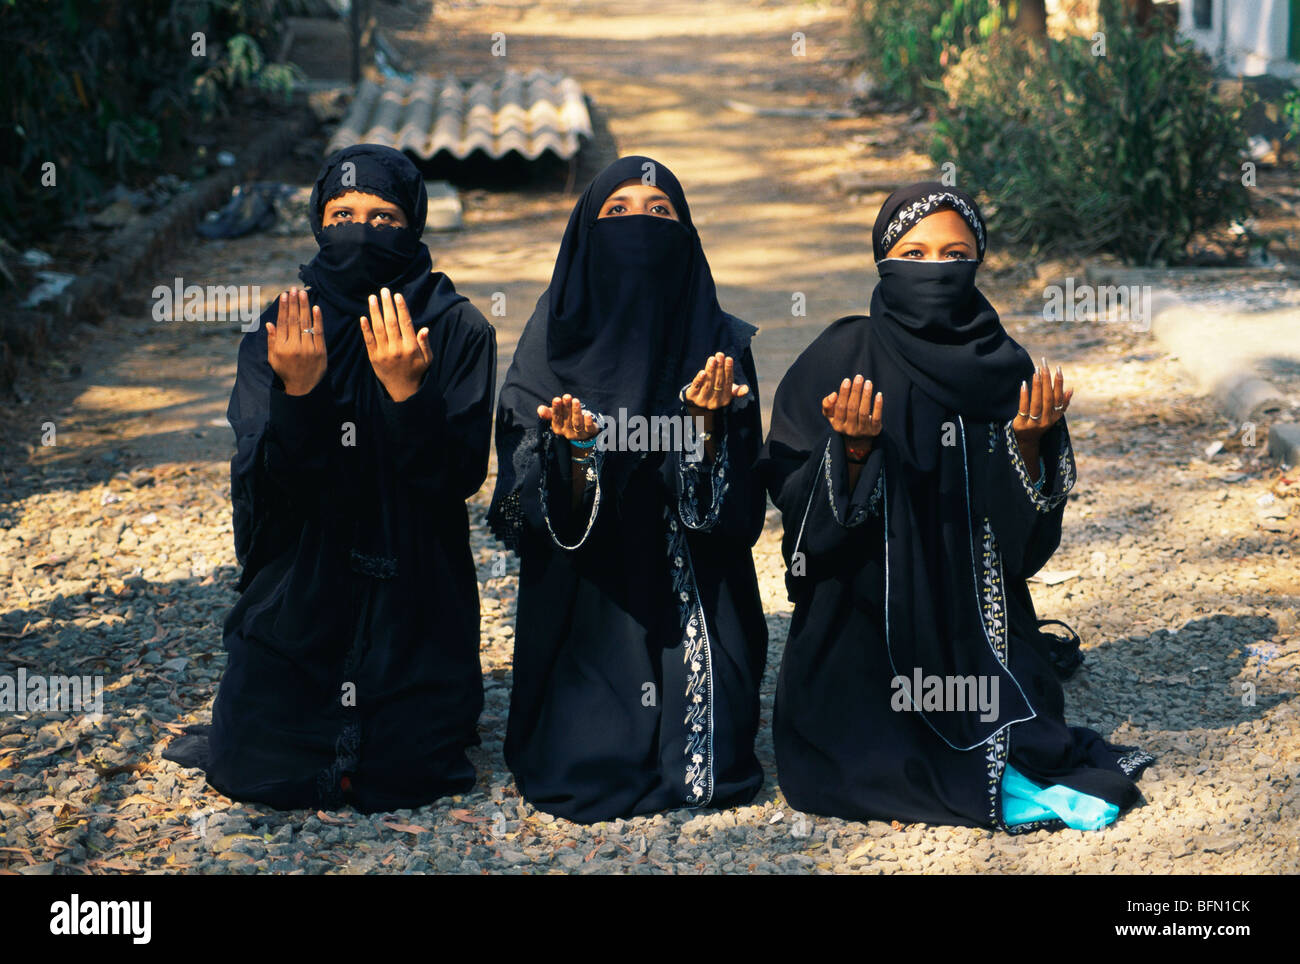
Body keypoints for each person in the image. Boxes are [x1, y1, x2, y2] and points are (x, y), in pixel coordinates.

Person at [756, 182, 1154, 832]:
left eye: (953, 254)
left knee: (1014, 725)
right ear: (883, 259)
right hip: (857, 627)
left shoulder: (1003, 367)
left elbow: (1025, 550)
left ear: (977, 261)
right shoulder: (839, 356)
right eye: (914, 253)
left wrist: (1029, 447)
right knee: (859, 743)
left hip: (981, 624)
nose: (934, 270)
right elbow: (796, 521)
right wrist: (850, 456)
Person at [167, 144, 497, 813]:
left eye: (383, 217)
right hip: (299, 591)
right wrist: (300, 392)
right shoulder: (283, 327)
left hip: (417, 595)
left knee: (410, 769)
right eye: (343, 213)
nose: (361, 230)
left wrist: (408, 395)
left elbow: (456, 477)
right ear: (319, 221)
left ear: (413, 225)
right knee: (252, 765)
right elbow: (271, 488)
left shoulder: (456, 328)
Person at [487, 156, 768, 823]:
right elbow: (514, 509)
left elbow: (740, 516)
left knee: (711, 767)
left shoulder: (720, 343)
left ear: (687, 236)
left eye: (658, 212)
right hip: (583, 599)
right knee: (578, 766)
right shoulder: (550, 340)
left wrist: (700, 434)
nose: (638, 225)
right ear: (585, 233)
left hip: (693, 594)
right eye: (617, 213)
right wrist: (574, 461)